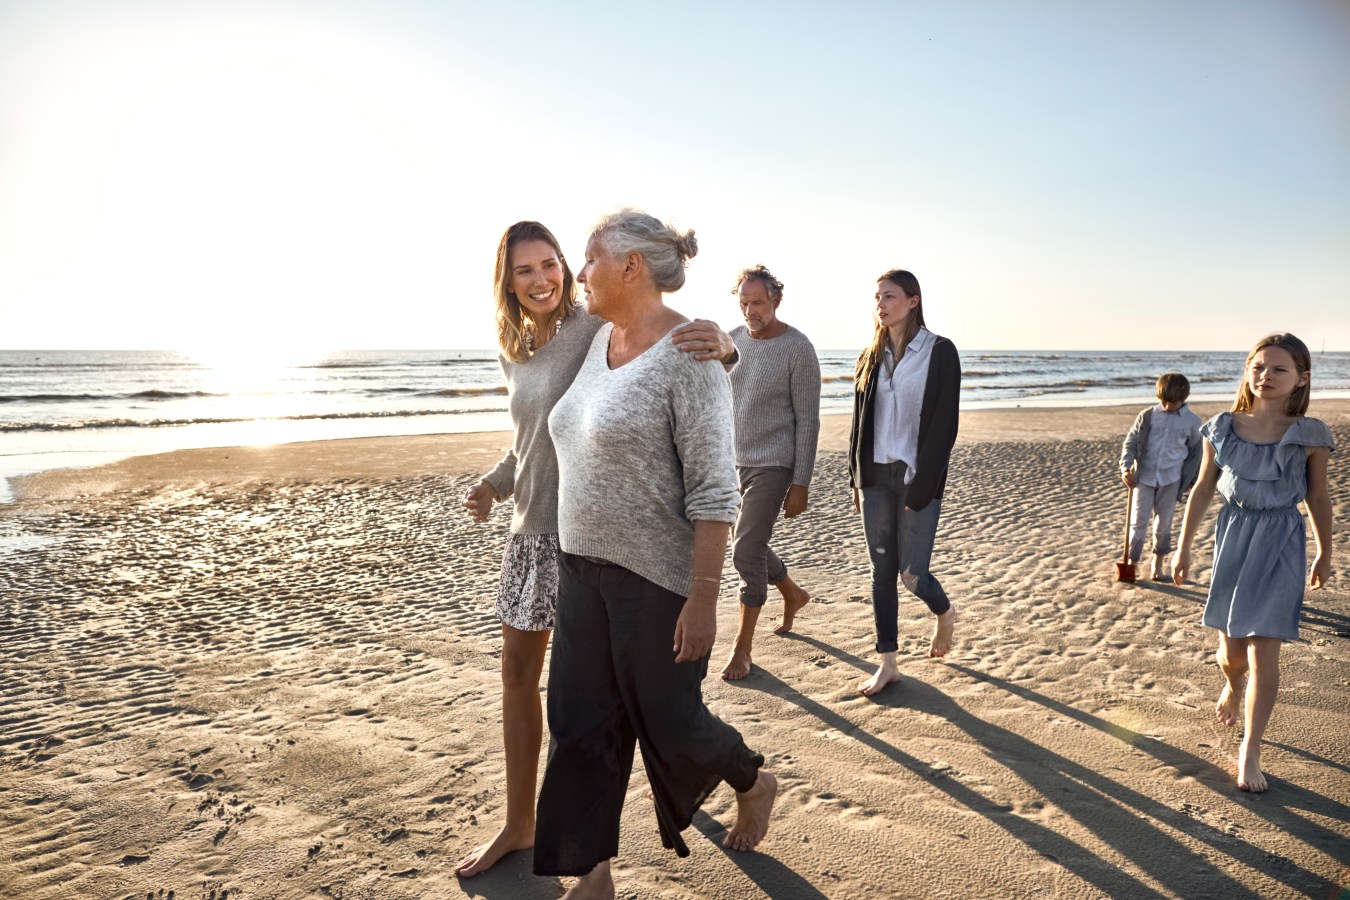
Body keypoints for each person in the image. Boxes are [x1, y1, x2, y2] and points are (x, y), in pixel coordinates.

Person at [456, 221, 733, 877]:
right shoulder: (513, 348)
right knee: (522, 681)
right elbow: (534, 440)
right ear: (507, 280)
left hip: (586, 539)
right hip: (530, 532)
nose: (545, 279)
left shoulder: (592, 329)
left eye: (552, 264)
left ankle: (718, 774)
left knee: (627, 701)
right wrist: (495, 487)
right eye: (526, 271)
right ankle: (522, 825)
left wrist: (726, 348)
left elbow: (662, 345)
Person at [536, 209, 777, 898]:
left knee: (670, 725)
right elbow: (529, 311)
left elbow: (714, 489)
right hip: (579, 566)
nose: (579, 274)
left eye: (588, 259)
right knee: (579, 724)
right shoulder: (595, 337)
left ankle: (754, 780)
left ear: (630, 266)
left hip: (656, 580)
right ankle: (593, 873)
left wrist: (704, 597)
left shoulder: (691, 356)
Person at [1172, 333, 1333, 793]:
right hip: (1234, 539)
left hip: (1282, 540)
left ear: (1301, 378)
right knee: (1232, 653)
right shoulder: (1222, 427)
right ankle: (1231, 684)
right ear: (1248, 371)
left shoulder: (1311, 434)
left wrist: (1325, 550)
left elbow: (1319, 497)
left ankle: (1251, 748)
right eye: (1258, 367)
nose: (1266, 376)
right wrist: (1183, 548)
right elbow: (1203, 489)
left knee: (1265, 650)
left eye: (1279, 369)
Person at [847, 269, 959, 697]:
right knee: (881, 572)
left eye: (889, 296)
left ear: (913, 301)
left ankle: (944, 611)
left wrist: (924, 485)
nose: (881, 304)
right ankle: (888, 663)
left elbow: (944, 425)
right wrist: (855, 478)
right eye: (877, 297)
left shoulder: (939, 352)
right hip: (875, 476)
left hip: (916, 477)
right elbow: (860, 425)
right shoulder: (869, 356)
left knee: (913, 575)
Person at [720, 264, 819, 681]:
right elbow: (712, 401)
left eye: (757, 302)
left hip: (774, 463)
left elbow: (808, 419)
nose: (750, 310)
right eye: (743, 302)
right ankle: (792, 593)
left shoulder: (797, 348)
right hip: (729, 463)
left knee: (744, 551)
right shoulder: (731, 342)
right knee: (752, 545)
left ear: (776, 300)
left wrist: (801, 481)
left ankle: (743, 649)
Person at [1118, 372, 1204, 581]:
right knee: (1137, 524)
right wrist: (1126, 467)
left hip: (1172, 480)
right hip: (1143, 478)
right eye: (1163, 401)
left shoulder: (1193, 421)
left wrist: (1191, 481)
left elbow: (1196, 453)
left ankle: (1157, 564)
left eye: (1172, 403)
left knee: (1163, 525)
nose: (1167, 406)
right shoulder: (1147, 415)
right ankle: (1132, 562)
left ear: (1183, 398)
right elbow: (1131, 442)